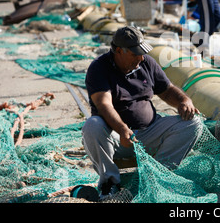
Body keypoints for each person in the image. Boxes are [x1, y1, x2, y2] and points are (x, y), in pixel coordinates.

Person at [82, 26, 203, 199]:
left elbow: (167, 90)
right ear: (118, 51)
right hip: (117, 139)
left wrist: (184, 101)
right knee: (92, 125)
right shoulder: (99, 68)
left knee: (193, 123)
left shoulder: (146, 62)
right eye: (134, 54)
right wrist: (122, 130)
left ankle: (158, 176)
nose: (140, 58)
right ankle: (109, 183)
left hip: (150, 132)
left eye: (142, 52)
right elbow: (104, 105)